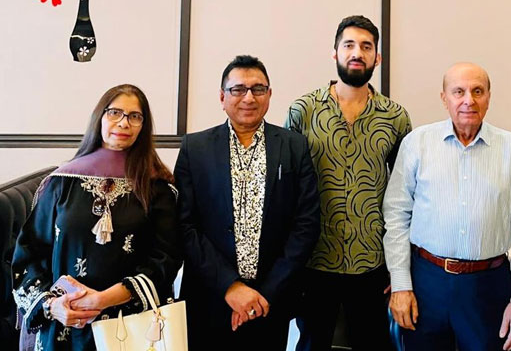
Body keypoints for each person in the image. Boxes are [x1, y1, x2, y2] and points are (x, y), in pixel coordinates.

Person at [383, 62, 511, 351]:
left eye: (477, 91)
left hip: (489, 285)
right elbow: (396, 217)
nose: (469, 100)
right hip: (426, 283)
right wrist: (401, 284)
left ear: (489, 97)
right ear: (444, 98)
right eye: (459, 91)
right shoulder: (417, 144)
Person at [12, 84, 181, 350]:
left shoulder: (157, 188)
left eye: (134, 116)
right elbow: (29, 255)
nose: (123, 123)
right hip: (65, 324)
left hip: (129, 326)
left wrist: (104, 300)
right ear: (99, 117)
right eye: (115, 113)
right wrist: (53, 305)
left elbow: (166, 258)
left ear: (143, 126)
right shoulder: (60, 184)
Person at [176, 55, 320, 349]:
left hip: (269, 300)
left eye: (258, 89)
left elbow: (306, 224)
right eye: (238, 89)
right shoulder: (195, 148)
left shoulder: (294, 146)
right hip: (210, 296)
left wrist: (265, 293)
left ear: (269, 95)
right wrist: (230, 286)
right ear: (222, 97)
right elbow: (184, 225)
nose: (249, 98)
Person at [286, 15, 411, 351]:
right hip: (313, 259)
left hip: (372, 261)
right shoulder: (303, 110)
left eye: (366, 47)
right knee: (311, 343)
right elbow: (286, 190)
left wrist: (399, 268)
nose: (357, 52)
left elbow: (406, 196)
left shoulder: (395, 117)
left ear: (377, 58)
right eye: (349, 45)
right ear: (335, 53)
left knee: (373, 343)